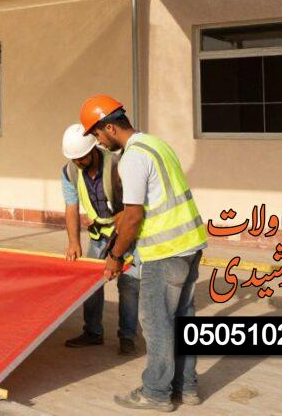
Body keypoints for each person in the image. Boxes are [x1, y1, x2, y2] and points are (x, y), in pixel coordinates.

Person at [81, 95, 208, 412]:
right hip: (190, 244)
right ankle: (187, 388)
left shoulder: (132, 158)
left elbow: (135, 216)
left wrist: (115, 257)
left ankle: (155, 392)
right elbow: (148, 204)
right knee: (182, 319)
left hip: (164, 250)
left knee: (155, 322)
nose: (98, 142)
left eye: (97, 134)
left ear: (110, 127)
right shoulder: (157, 144)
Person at [58, 123, 140, 355]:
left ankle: (127, 337)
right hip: (97, 235)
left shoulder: (117, 166)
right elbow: (71, 207)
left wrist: (117, 250)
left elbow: (130, 209)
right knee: (91, 284)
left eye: (82, 158)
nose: (79, 162)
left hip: (125, 232)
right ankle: (93, 332)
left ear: (94, 148)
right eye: (75, 159)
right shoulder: (69, 172)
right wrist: (74, 241)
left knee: (129, 285)